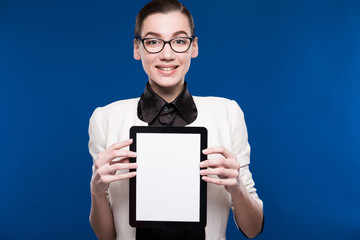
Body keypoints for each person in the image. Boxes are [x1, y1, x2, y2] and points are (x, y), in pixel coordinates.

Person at [88, 0, 264, 239]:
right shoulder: (106, 118)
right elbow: (106, 236)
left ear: (194, 47)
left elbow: (252, 229)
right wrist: (97, 191)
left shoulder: (228, 113)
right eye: (153, 42)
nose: (167, 54)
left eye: (179, 41)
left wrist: (237, 188)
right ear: (137, 49)